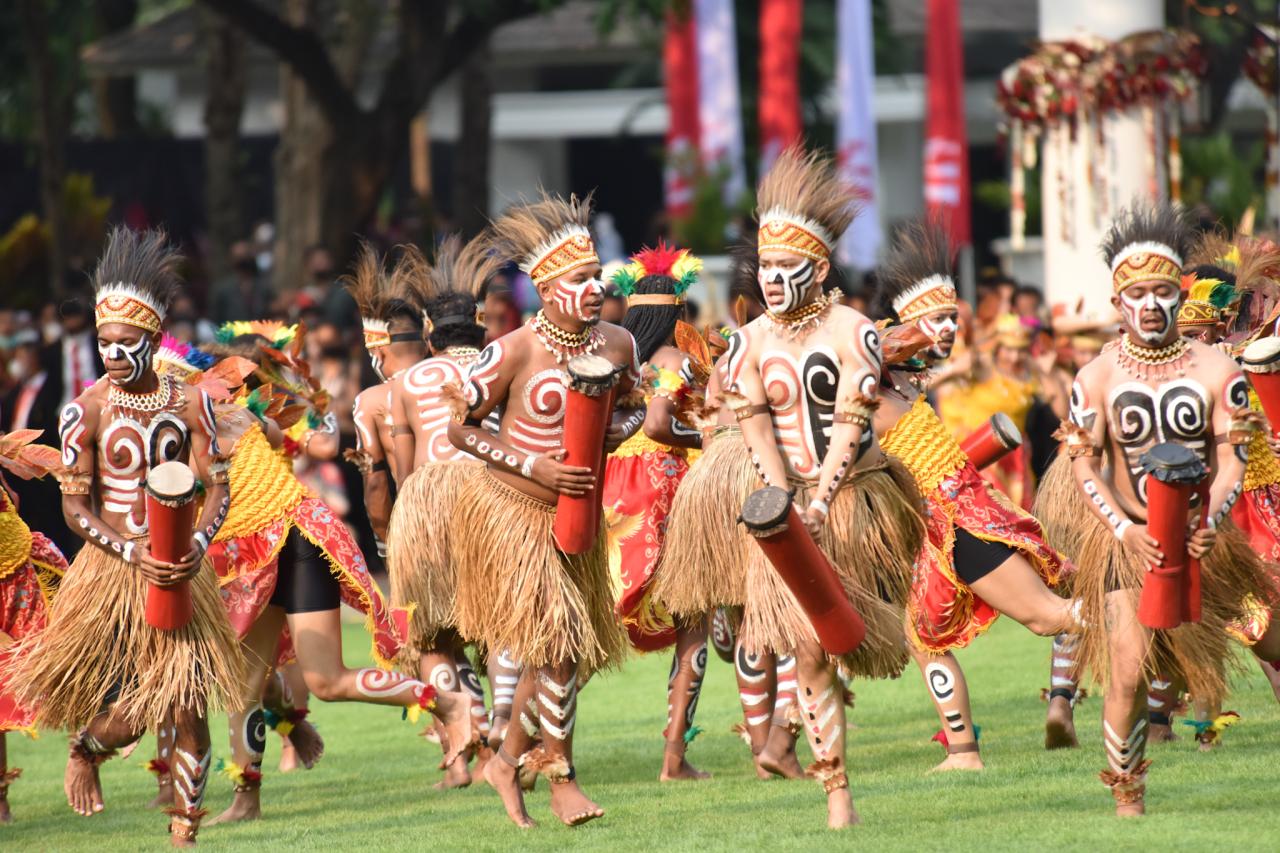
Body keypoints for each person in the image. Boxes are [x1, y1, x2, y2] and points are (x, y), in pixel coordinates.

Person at [674, 147, 926, 829]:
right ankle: (835, 789)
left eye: (790, 268)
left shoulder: (855, 333)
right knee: (808, 648)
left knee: (852, 640)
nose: (775, 280)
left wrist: (819, 503)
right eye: (767, 269)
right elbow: (755, 426)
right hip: (786, 511)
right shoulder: (747, 341)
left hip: (855, 501)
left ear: (819, 268)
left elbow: (851, 421)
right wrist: (783, 504)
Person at [1033, 203, 1280, 816]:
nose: (1150, 304)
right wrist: (1123, 528)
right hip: (1125, 544)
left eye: (1163, 291)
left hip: (1205, 539)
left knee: (1272, 639)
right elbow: (1084, 464)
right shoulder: (1094, 377)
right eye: (1137, 293)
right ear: (1118, 303)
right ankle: (1127, 797)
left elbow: (1233, 461)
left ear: (1179, 295)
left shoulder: (1219, 370)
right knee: (1127, 670)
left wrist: (1211, 522)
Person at [4, 227, 244, 845]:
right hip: (114, 568)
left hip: (181, 564)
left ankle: (185, 829)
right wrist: (131, 549)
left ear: (151, 340)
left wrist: (196, 544)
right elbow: (75, 511)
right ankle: (88, 747)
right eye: (104, 343)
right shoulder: (84, 409)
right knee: (135, 707)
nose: (112, 354)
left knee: (187, 701)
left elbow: (217, 487)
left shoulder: (192, 402)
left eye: (125, 343)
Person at [185, 326, 477, 825]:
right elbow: (277, 440)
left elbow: (306, 444)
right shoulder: (232, 414)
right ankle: (246, 799)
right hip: (249, 551)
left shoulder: (213, 414)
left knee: (327, 680)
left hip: (294, 538)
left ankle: (445, 702)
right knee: (243, 686)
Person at [445, 192, 640, 827]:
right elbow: (460, 431)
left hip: (579, 514)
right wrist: (536, 467)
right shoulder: (513, 350)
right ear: (548, 287)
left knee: (560, 654)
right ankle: (563, 780)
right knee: (556, 643)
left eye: (596, 277)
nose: (593, 288)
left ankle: (505, 761)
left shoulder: (616, 344)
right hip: (516, 514)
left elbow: (636, 408)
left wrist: (616, 429)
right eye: (579, 280)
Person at [870, 219, 1079, 771]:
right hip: (933, 522)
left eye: (950, 318)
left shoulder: (894, 377)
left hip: (958, 517)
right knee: (923, 638)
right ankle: (963, 753)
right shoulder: (868, 369)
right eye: (936, 319)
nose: (946, 329)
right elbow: (870, 347)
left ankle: (1144, 630)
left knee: (1048, 616)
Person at [654, 244, 806, 783]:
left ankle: (763, 746)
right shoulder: (776, 341)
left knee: (745, 618)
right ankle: (775, 749)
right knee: (783, 617)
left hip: (708, 482)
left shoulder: (731, 346)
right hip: (752, 475)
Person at [382, 234, 503, 787]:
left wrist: (407, 528)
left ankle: (466, 740)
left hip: (427, 500)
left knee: (431, 636)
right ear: (479, 328)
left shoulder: (405, 383)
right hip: (491, 495)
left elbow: (404, 470)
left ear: (429, 334)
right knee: (501, 625)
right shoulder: (500, 360)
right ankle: (503, 740)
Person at [603, 242, 713, 781]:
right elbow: (657, 426)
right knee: (695, 615)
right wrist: (706, 439)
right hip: (660, 485)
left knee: (593, 619)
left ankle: (531, 744)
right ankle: (674, 759)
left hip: (614, 487)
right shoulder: (673, 359)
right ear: (677, 313)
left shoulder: (622, 359)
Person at [0, 428, 68, 823]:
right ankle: (2, 799)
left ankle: (88, 753)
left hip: (23, 577)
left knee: (53, 671)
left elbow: (13, 502)